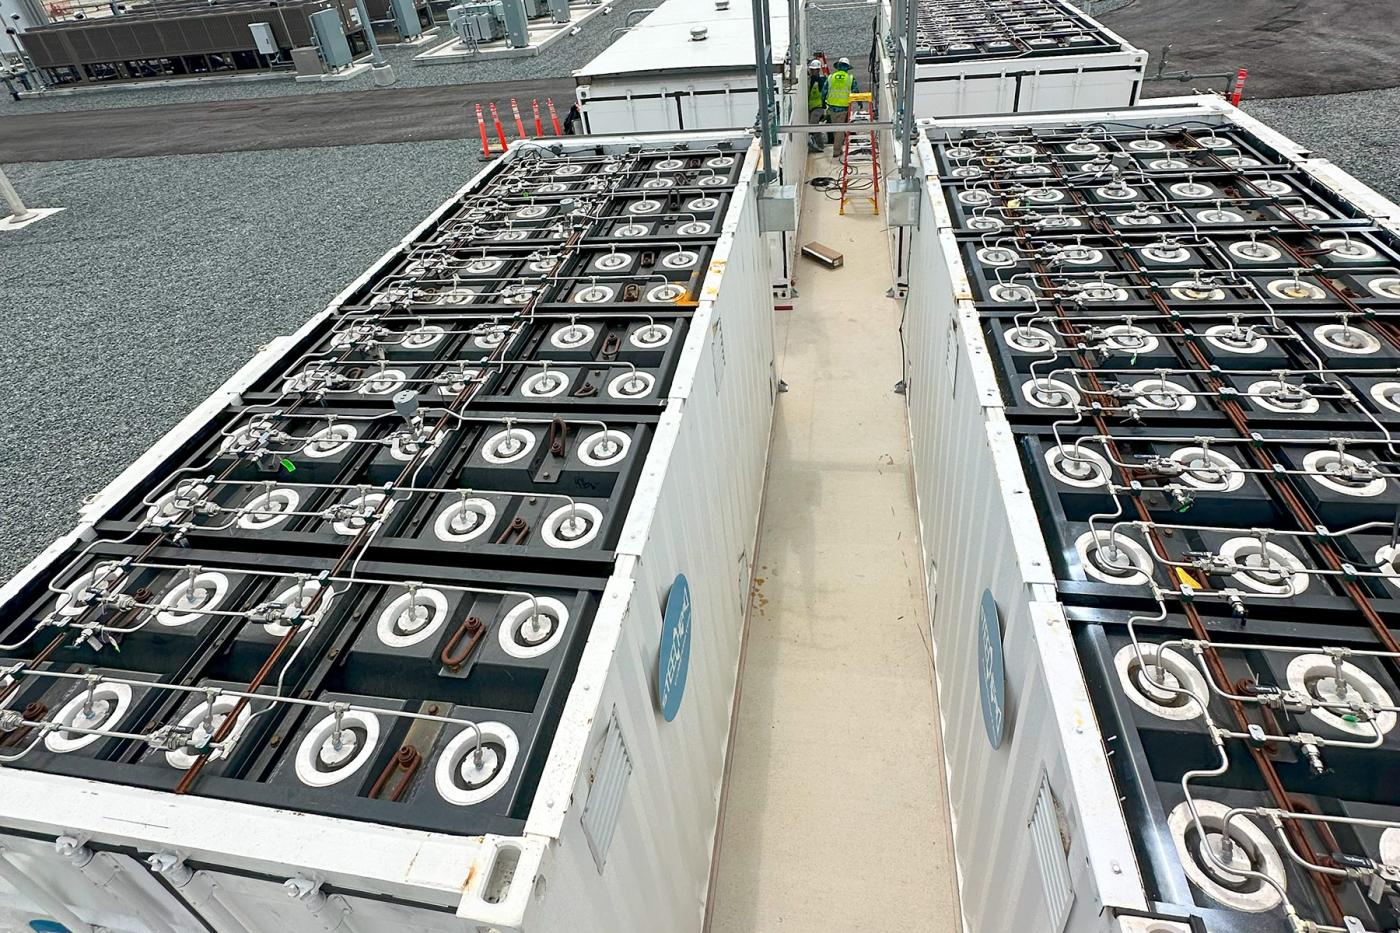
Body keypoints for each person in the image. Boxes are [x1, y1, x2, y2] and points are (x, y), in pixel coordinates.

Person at [825, 57, 858, 153]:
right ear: (847, 68)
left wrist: (823, 102)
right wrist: (859, 103)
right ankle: (836, 150)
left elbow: (824, 91)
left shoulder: (830, 77)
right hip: (843, 107)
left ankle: (838, 147)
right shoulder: (850, 78)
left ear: (838, 67)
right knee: (840, 129)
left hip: (831, 107)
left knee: (836, 128)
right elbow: (855, 92)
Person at [805, 59, 827, 153]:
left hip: (818, 107)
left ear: (818, 70)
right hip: (811, 107)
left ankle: (818, 144)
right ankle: (819, 144)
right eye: (811, 70)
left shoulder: (820, 81)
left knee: (813, 124)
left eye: (814, 70)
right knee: (814, 125)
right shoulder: (811, 80)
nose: (812, 71)